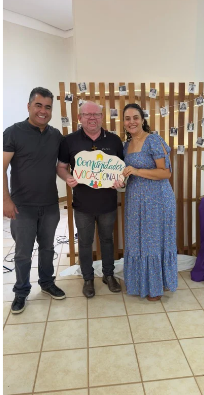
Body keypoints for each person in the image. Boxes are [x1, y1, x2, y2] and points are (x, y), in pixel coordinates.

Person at [3, 87, 67, 314]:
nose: (43, 111)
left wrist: (73, 177)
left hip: (49, 204)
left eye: (48, 107)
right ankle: (21, 291)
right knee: (23, 252)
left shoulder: (55, 136)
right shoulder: (13, 133)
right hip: (22, 206)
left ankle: (47, 283)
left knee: (48, 248)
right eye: (38, 105)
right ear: (29, 106)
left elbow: (63, 165)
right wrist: (5, 200)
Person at [57, 101, 124, 298]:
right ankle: (87, 278)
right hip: (82, 204)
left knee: (107, 240)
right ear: (80, 118)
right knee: (85, 242)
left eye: (96, 114)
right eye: (87, 114)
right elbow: (61, 167)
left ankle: (108, 275)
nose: (92, 118)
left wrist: (120, 180)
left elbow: (122, 169)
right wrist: (67, 177)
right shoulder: (69, 141)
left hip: (107, 203)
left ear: (102, 117)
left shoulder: (114, 140)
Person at [117, 103, 177, 301]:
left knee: (153, 242)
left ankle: (156, 287)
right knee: (137, 241)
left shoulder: (153, 140)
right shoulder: (126, 146)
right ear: (123, 122)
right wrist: (121, 180)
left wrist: (137, 171)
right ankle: (139, 283)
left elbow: (166, 173)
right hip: (135, 200)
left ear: (142, 120)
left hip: (157, 199)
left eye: (135, 117)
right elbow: (127, 173)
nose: (131, 122)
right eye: (127, 119)